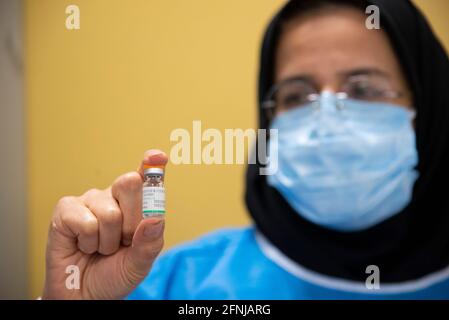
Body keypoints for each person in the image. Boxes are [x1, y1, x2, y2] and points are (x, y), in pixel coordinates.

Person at [41, 0, 449, 299]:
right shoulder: (176, 283)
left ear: (428, 108)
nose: (328, 120)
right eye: (296, 95)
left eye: (362, 89)